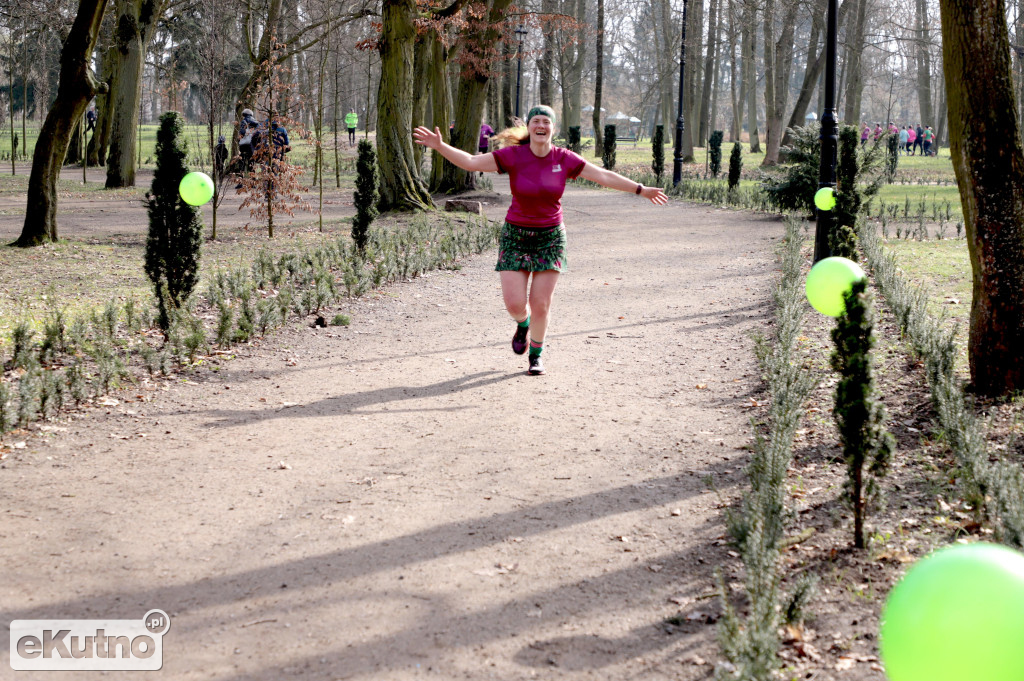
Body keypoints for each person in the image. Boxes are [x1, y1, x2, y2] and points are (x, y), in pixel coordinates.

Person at [413, 105, 669, 376]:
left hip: (550, 237)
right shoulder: (513, 156)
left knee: (540, 304)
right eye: (536, 120)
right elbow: (471, 162)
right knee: (514, 304)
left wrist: (640, 189)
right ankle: (522, 324)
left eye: (546, 121)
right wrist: (440, 146)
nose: (541, 125)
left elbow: (603, 176)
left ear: (553, 128)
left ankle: (536, 354)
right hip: (516, 235)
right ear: (529, 126)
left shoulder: (564, 158)